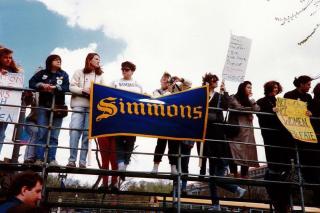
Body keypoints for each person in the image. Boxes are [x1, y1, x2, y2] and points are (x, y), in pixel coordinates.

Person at [202, 73, 246, 211]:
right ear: (207, 82)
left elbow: (227, 107)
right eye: (212, 80)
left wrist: (224, 91)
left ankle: (235, 190)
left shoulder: (220, 96)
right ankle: (216, 204)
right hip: (208, 134)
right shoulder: (202, 95)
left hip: (219, 134)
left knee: (215, 175)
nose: (215, 81)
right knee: (212, 176)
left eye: (216, 80)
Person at [257, 81, 295, 213]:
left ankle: (286, 204)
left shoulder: (280, 101)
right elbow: (260, 114)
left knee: (285, 166)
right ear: (268, 89)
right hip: (270, 135)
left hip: (282, 136)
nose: (275, 90)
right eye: (273, 88)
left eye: (277, 88)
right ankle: (280, 203)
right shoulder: (262, 101)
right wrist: (271, 111)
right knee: (274, 163)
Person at [284, 75, 320, 206]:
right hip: (294, 131)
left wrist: (309, 113)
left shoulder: (308, 98)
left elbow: (309, 111)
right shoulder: (289, 94)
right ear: (301, 84)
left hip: (304, 132)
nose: (310, 87)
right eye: (308, 84)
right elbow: (286, 110)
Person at [29, 54, 69, 166]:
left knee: (54, 135)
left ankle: (52, 159)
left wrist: (56, 88)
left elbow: (67, 87)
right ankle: (39, 159)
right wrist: (41, 85)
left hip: (58, 107)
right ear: (49, 61)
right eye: (56, 60)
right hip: (43, 106)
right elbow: (31, 83)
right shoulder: (42, 73)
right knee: (42, 133)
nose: (58, 61)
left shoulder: (64, 74)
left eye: (60, 60)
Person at [67, 53, 106, 168]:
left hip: (92, 108)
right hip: (78, 105)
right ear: (89, 60)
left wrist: (95, 91)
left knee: (86, 134)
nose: (99, 61)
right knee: (74, 131)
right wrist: (84, 91)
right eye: (96, 59)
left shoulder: (100, 76)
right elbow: (71, 87)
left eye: (99, 59)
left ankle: (82, 162)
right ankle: (71, 160)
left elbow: (103, 91)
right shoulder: (79, 72)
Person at [111, 61, 143, 174]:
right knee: (118, 139)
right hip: (118, 116)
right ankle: (120, 163)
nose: (124, 71)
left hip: (132, 118)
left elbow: (142, 101)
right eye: (123, 69)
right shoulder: (115, 82)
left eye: (127, 69)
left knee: (130, 141)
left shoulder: (138, 85)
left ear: (132, 71)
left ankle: (125, 164)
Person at [228, 81, 260, 178]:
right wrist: (249, 110)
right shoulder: (234, 98)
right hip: (237, 128)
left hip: (247, 129)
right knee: (234, 148)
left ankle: (244, 173)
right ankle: (234, 172)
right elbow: (238, 108)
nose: (250, 89)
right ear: (243, 88)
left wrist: (252, 100)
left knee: (248, 149)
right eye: (248, 87)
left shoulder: (249, 100)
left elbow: (257, 109)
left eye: (251, 87)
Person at [151, 72, 177, 173]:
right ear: (161, 80)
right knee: (160, 145)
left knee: (173, 145)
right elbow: (159, 100)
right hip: (161, 122)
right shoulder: (156, 91)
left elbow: (189, 85)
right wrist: (169, 92)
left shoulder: (176, 91)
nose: (165, 81)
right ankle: (155, 166)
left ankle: (173, 167)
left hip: (172, 122)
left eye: (168, 80)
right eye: (164, 79)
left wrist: (180, 80)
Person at [0, 47, 22, 155]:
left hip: (6, 107)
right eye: (5, 57)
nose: (8, 60)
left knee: (1, 133)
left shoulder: (14, 73)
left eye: (10, 58)